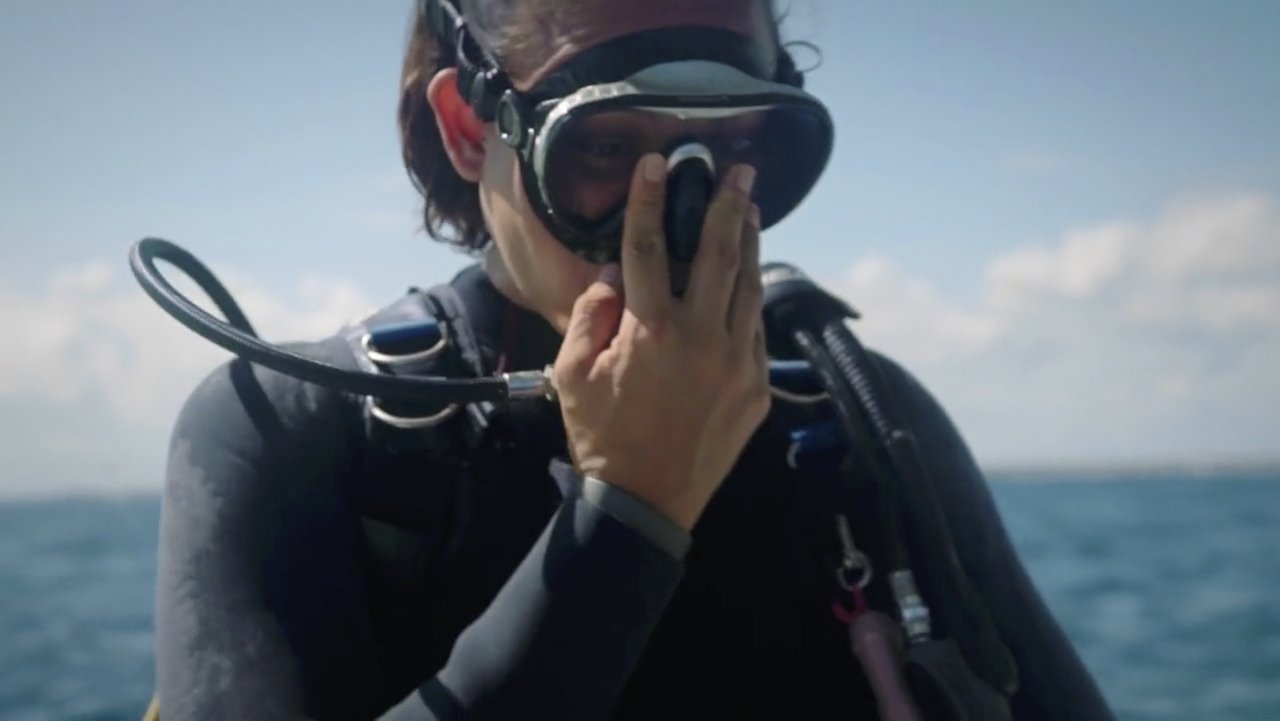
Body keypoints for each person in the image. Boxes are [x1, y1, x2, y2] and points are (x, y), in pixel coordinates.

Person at [153, 1, 1117, 719]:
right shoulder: (296, 433)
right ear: (469, 129)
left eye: (734, 143)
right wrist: (632, 511)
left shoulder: (861, 418)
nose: (676, 224)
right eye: (608, 148)